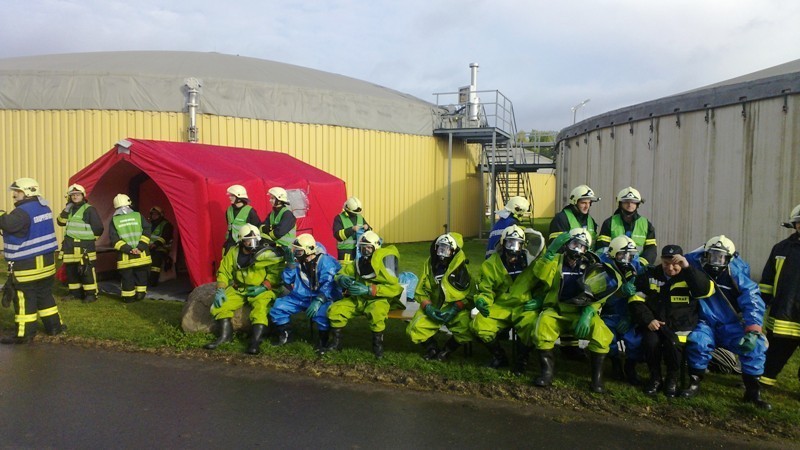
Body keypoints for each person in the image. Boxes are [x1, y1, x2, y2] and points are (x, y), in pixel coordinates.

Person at [683, 235, 771, 410]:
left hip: (731, 324)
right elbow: (673, 263)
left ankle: (753, 391)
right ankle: (694, 382)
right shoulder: (694, 263)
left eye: (721, 257)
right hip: (705, 320)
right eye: (713, 255)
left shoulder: (736, 272)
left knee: (755, 345)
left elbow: (752, 298)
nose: (716, 261)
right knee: (699, 341)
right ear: (705, 254)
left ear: (730, 258)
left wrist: (753, 328)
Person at [532, 228, 620, 393]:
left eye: (582, 247)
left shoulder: (592, 266)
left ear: (587, 249)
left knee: (601, 335)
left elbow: (600, 292)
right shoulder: (556, 261)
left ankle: (597, 380)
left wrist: (589, 313)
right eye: (574, 244)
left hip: (581, 312)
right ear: (566, 244)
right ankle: (547, 372)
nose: (577, 250)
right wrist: (550, 252)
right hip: (557, 310)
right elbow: (539, 273)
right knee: (543, 327)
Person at [629, 245, 714, 397]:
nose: (670, 267)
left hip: (681, 326)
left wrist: (687, 267)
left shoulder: (691, 275)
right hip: (656, 324)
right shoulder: (651, 275)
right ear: (661, 261)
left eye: (675, 263)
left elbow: (705, 290)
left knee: (673, 345)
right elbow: (636, 300)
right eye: (666, 263)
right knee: (650, 342)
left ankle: (671, 380)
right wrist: (649, 320)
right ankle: (655, 378)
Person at [472, 225, 544, 374]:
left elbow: (543, 284)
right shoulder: (491, 264)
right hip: (500, 305)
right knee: (480, 325)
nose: (513, 248)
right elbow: (486, 289)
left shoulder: (532, 263)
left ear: (523, 245)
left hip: (524, 305)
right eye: (510, 243)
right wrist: (482, 300)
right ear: (503, 244)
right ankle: (499, 356)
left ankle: (522, 360)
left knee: (531, 326)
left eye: (517, 243)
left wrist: (539, 300)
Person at [0, 178, 65, 343]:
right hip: (47, 263)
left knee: (23, 298)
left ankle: (25, 335)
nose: (14, 195)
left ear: (28, 192)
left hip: (27, 265)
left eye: (18, 191)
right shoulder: (44, 207)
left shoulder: (22, 212)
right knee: (44, 295)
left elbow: (7, 224)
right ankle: (55, 327)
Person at [204, 224, 283, 354]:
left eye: (255, 240)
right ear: (241, 241)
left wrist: (264, 286)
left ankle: (256, 341)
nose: (252, 243)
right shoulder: (233, 253)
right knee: (219, 306)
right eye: (248, 240)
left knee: (261, 308)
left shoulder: (265, 253)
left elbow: (276, 273)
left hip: (260, 289)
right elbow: (224, 272)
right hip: (239, 288)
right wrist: (220, 290)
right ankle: (225, 337)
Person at [327, 230, 403, 359]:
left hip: (377, 299)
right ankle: (336, 343)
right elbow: (342, 273)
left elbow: (394, 288)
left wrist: (370, 290)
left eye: (368, 247)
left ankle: (377, 346)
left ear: (375, 247)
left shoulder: (384, 263)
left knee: (377, 313)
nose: (365, 251)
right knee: (336, 310)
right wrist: (341, 279)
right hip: (357, 298)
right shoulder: (358, 262)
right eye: (362, 248)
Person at [548, 185, 600, 359]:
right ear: (574, 201)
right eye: (583, 202)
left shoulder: (590, 221)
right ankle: (568, 346)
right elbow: (556, 245)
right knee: (565, 300)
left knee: (579, 299)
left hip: (583, 266)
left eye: (589, 203)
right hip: (565, 265)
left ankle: (572, 346)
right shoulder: (561, 218)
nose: (586, 206)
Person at [269, 233, 342, 353]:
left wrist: (319, 300)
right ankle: (286, 336)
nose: (294, 253)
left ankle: (323, 341)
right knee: (279, 307)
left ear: (308, 251)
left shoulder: (325, 262)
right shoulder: (298, 262)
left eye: (298, 251)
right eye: (294, 250)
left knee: (322, 314)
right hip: (300, 296)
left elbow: (328, 284)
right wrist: (291, 265)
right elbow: (287, 280)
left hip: (322, 297)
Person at [407, 232, 474, 361]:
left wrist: (456, 308)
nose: (442, 253)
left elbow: (470, 295)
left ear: (453, 252)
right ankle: (432, 348)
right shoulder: (431, 265)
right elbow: (421, 290)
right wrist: (427, 307)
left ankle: (446, 350)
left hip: (454, 309)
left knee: (466, 330)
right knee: (415, 328)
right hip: (434, 307)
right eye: (440, 248)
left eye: (447, 249)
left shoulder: (462, 270)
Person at [759, 204, 800, 388]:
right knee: (775, 352)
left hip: (787, 312)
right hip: (783, 313)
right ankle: (762, 382)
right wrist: (758, 310)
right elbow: (767, 283)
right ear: (794, 225)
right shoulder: (781, 249)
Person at [599, 235, 646, 385]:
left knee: (635, 340)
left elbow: (642, 296)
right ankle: (615, 363)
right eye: (622, 255)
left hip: (629, 314)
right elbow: (599, 297)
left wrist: (631, 317)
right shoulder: (603, 269)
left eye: (630, 255)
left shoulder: (637, 269)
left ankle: (630, 367)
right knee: (608, 338)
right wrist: (619, 293)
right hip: (608, 314)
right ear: (613, 254)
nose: (627, 259)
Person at [56, 183, 103, 303]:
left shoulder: (89, 209)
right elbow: (60, 222)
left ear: (83, 196)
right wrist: (66, 210)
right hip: (70, 245)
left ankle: (91, 295)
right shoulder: (70, 209)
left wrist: (89, 240)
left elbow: (98, 228)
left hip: (84, 245)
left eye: (77, 194)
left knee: (86, 270)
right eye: (73, 195)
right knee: (71, 271)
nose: (75, 197)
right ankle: (74, 293)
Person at [596, 187, 657, 266]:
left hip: (637, 269)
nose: (629, 205)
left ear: (637, 204)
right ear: (620, 203)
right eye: (626, 202)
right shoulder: (609, 223)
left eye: (633, 202)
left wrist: (640, 265)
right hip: (615, 266)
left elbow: (651, 249)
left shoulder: (646, 225)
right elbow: (602, 247)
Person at [109, 194, 152, 303]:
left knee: (127, 277)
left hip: (125, 257)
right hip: (141, 255)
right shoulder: (138, 216)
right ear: (129, 204)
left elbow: (114, 239)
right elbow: (147, 231)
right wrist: (140, 247)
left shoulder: (114, 220)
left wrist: (128, 249)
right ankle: (140, 294)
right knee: (141, 275)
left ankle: (128, 297)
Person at [223, 185, 260, 255]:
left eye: (232, 196)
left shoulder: (250, 211)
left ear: (239, 198)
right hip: (231, 243)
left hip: (244, 244)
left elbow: (256, 228)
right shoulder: (229, 210)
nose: (229, 197)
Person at [332, 196, 371, 262]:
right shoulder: (339, 218)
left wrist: (367, 228)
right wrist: (351, 229)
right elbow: (337, 235)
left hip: (360, 252)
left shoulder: (360, 217)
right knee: (346, 271)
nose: (356, 215)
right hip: (346, 253)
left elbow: (370, 233)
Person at [261, 186, 296, 258]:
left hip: (287, 249)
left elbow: (279, 232)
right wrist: (268, 228)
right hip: (275, 247)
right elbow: (262, 227)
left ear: (279, 200)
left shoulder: (287, 214)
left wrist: (268, 232)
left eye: (272, 198)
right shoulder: (272, 214)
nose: (270, 200)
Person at [147, 206, 174, 287]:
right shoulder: (150, 225)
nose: (154, 216)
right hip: (149, 247)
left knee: (156, 262)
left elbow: (165, 237)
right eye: (152, 214)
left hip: (161, 249)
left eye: (156, 214)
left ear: (160, 215)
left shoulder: (167, 225)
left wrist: (155, 244)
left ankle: (153, 282)